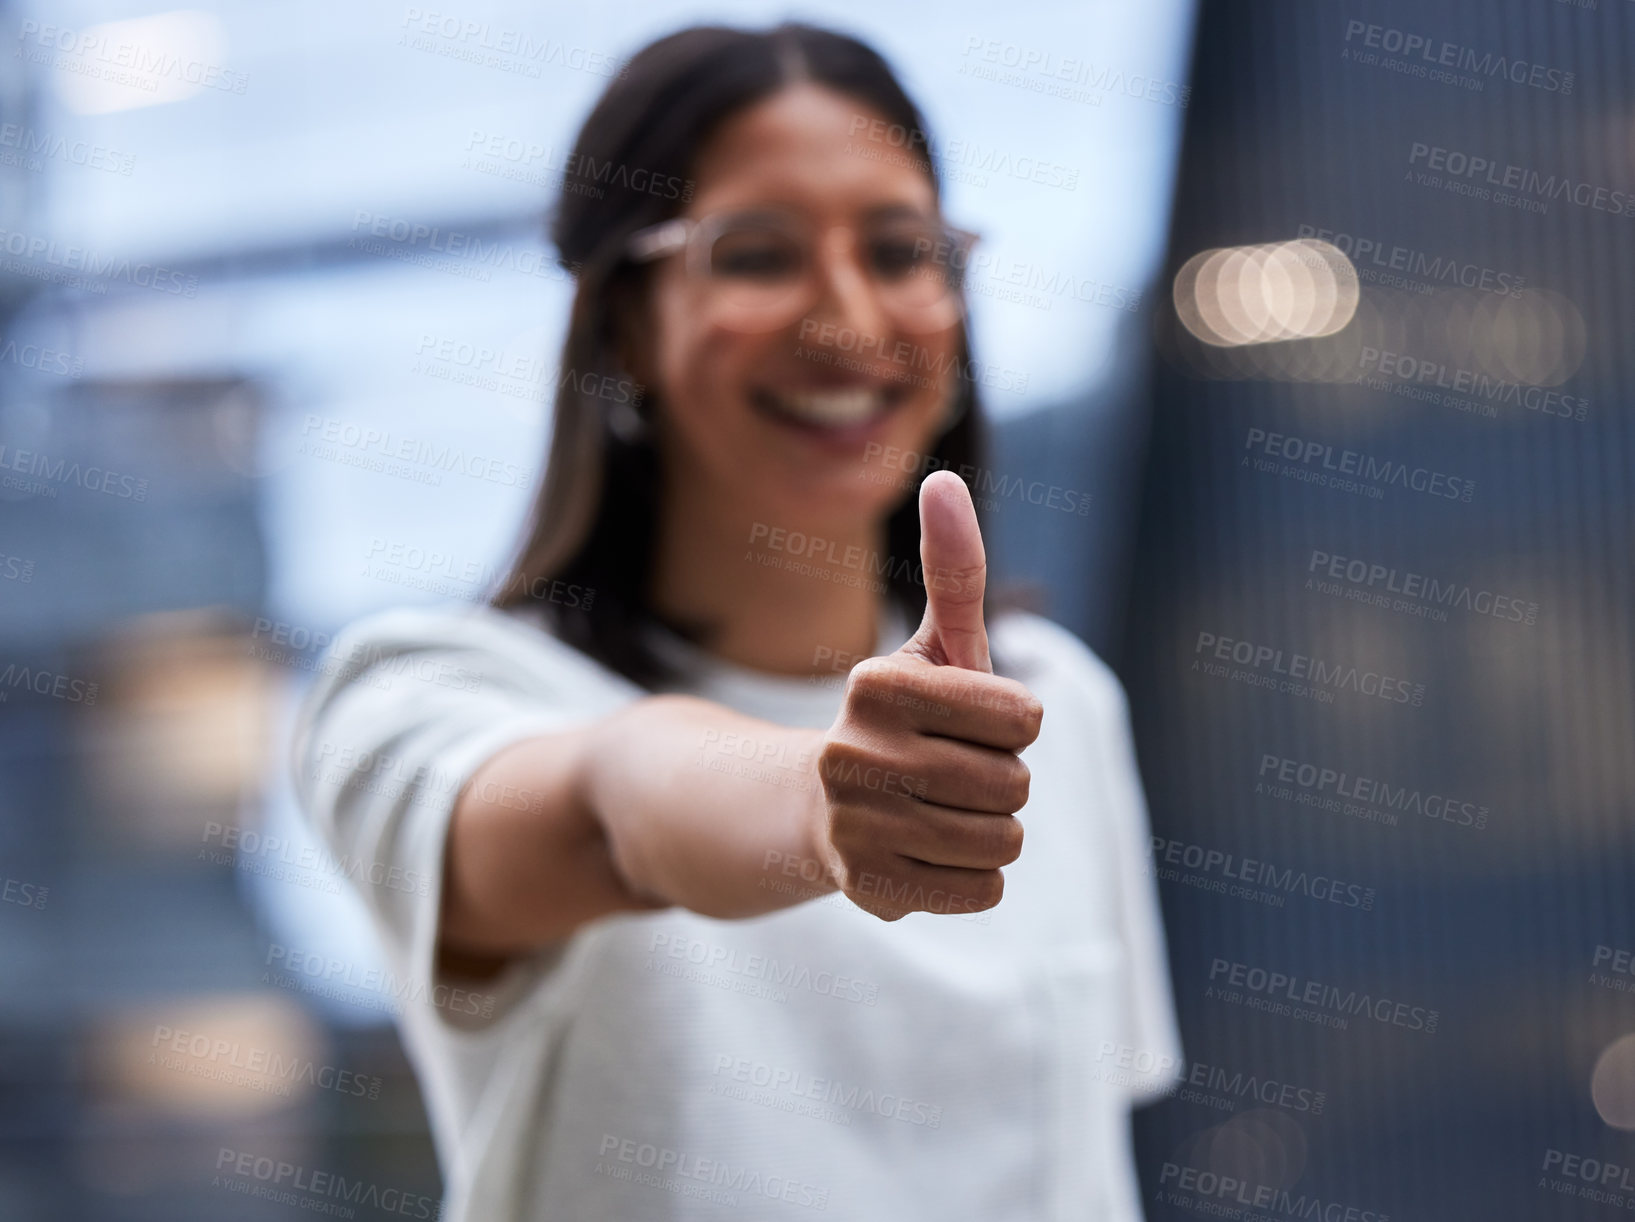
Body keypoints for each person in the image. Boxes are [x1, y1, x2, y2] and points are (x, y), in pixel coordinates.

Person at [293, 21, 1181, 1221]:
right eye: (757, 254)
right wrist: (825, 806)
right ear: (626, 328)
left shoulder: (1049, 705)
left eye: (902, 249)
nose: (850, 317)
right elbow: (616, 802)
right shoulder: (421, 693)